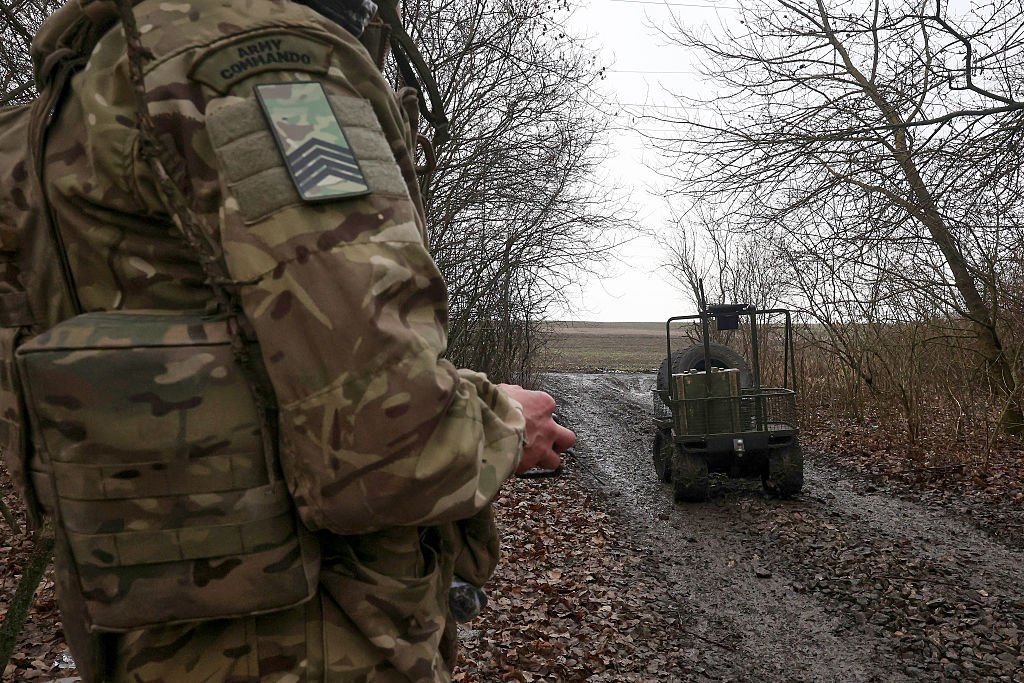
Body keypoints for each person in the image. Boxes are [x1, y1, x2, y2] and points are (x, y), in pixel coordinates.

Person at [13, 0, 577, 680]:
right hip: (310, 640)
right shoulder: (268, 68)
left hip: (149, 639)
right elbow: (382, 443)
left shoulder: (92, 72)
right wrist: (508, 421)